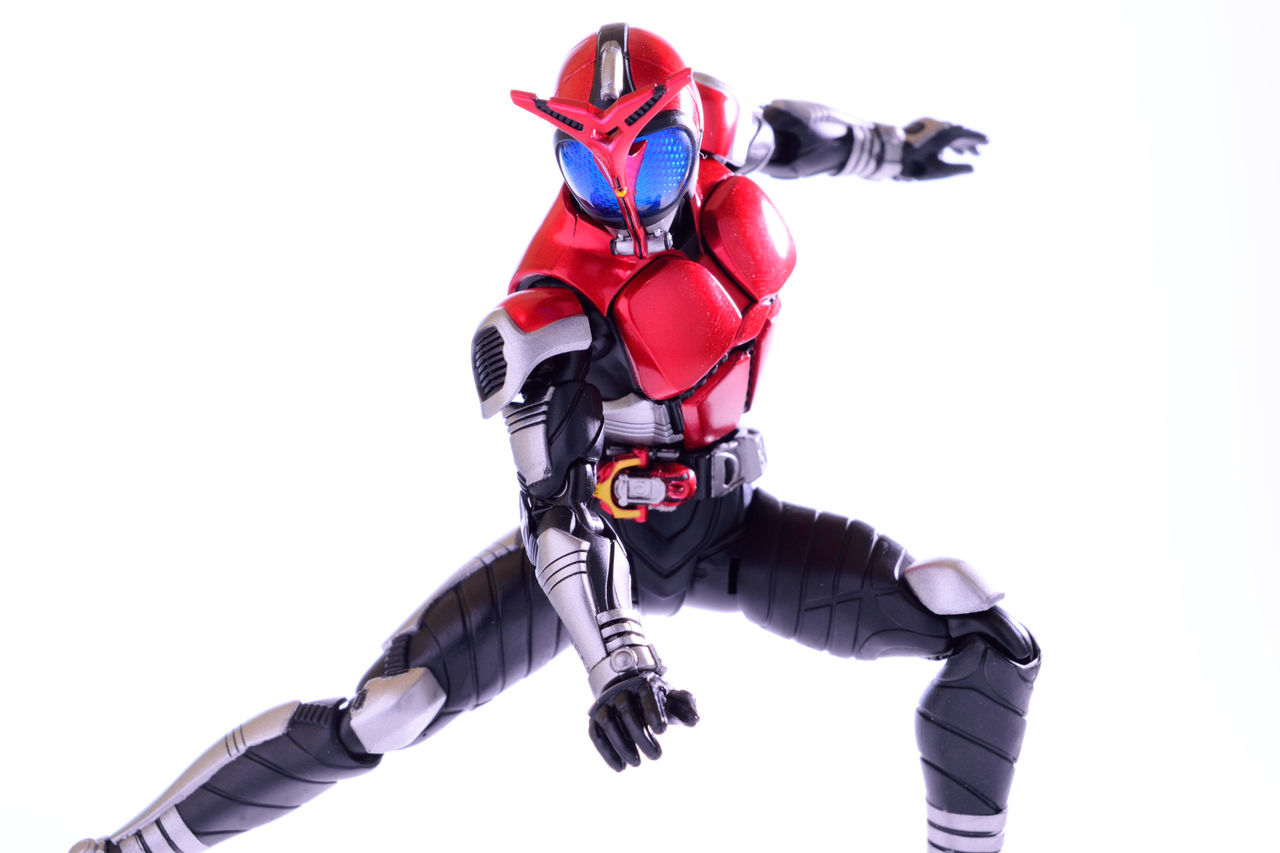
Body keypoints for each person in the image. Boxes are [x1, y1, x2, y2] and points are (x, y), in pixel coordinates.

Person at [73, 23, 1039, 853]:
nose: (624, 194)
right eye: (588, 167)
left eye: (652, 163)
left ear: (687, 136)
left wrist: (894, 151)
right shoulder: (542, 315)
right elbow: (554, 514)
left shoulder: (714, 129)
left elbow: (794, 137)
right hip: (607, 537)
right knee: (393, 707)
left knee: (981, 625)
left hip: (736, 528)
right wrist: (618, 659)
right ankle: (130, 846)